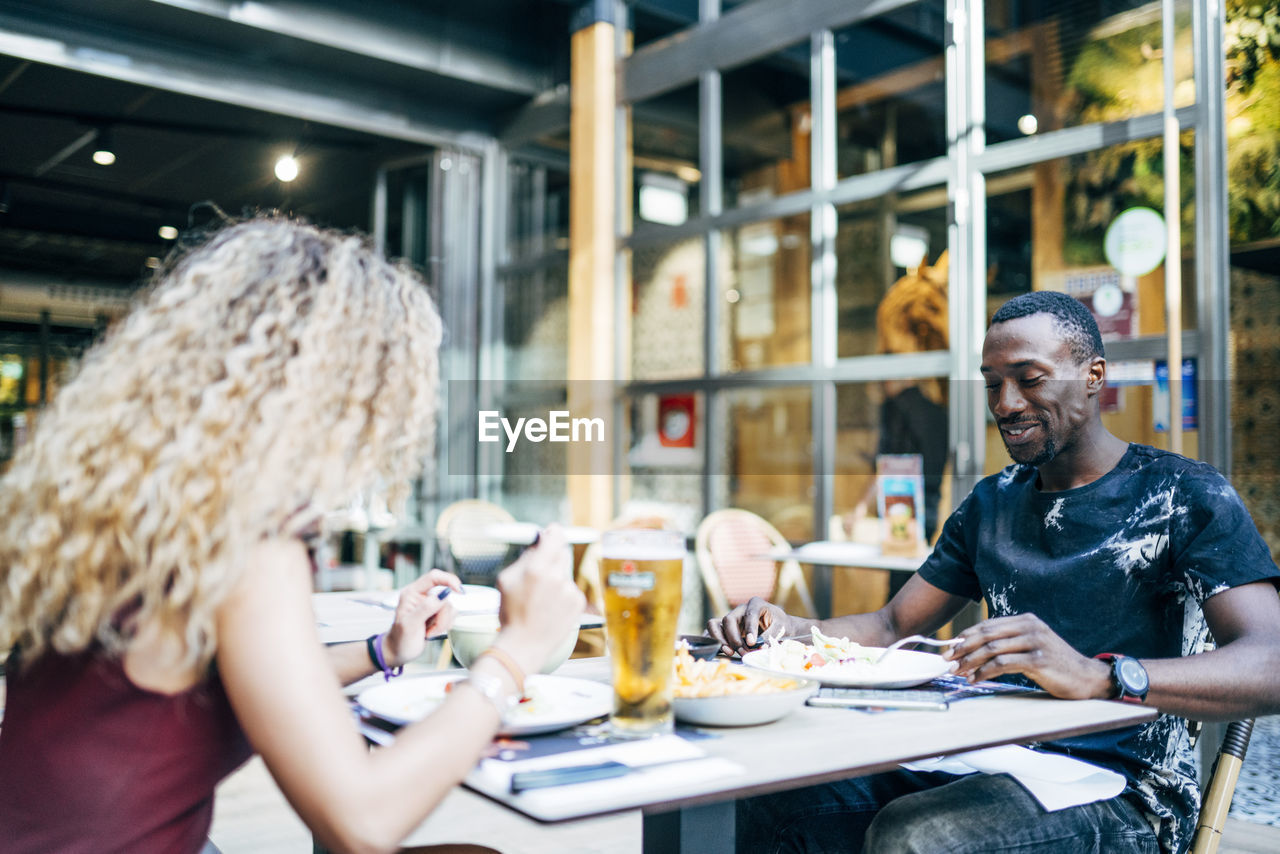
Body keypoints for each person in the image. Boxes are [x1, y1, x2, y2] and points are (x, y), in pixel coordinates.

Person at [0, 218, 586, 854]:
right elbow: (363, 822)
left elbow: (237, 682)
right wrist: (517, 650)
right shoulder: (247, 544)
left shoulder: (131, 504)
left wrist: (386, 649)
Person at [709, 290, 1280, 854]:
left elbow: (1271, 663)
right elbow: (889, 624)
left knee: (917, 836)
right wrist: (787, 632)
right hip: (983, 755)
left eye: (1029, 379)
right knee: (763, 795)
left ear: (1093, 375)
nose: (1005, 404)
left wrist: (1101, 677)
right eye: (991, 384)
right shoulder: (991, 504)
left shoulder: (1183, 494)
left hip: (1126, 792)